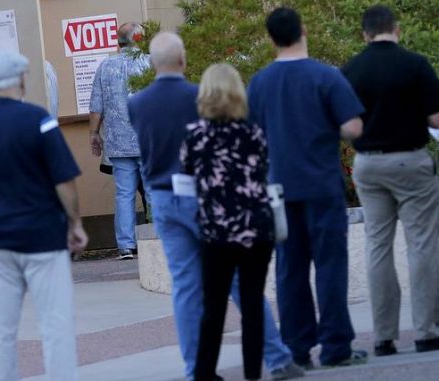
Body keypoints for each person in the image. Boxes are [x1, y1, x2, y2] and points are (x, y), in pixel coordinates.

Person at [129, 32, 303, 381]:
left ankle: (197, 370)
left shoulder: (136, 104)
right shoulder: (198, 97)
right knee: (241, 283)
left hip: (162, 199)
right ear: (182, 60)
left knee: (186, 287)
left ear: (152, 63)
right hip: (208, 200)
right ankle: (277, 358)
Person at [0, 50, 88, 381]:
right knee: (55, 323)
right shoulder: (40, 121)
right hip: (42, 235)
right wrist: (75, 223)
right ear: (22, 80)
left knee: (0, 325)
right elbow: (64, 182)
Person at [247, 7, 367, 368]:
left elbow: (252, 138)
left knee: (289, 269)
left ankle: (296, 349)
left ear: (271, 39)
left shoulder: (260, 82)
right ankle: (336, 346)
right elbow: (354, 128)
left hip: (279, 190)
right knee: (330, 265)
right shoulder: (325, 76)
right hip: (322, 185)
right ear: (303, 31)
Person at [342, 5, 439, 356]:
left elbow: (345, 123)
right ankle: (427, 331)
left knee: (377, 246)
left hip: (368, 164)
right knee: (422, 244)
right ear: (396, 30)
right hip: (411, 161)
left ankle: (384, 336)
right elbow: (436, 117)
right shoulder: (415, 65)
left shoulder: (351, 69)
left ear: (365, 34)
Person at [181, 62, 275, 381]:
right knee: (252, 303)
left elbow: (187, 175)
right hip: (255, 227)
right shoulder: (254, 132)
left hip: (216, 230)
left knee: (214, 305)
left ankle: (205, 372)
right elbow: (262, 170)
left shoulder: (195, 136)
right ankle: (252, 373)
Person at [89, 22, 151, 260]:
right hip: (148, 141)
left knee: (124, 194)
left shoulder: (105, 66)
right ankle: (155, 237)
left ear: (119, 41)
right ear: (138, 39)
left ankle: (126, 245)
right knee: (153, 191)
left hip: (118, 143)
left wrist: (94, 134)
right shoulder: (149, 63)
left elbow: (96, 106)